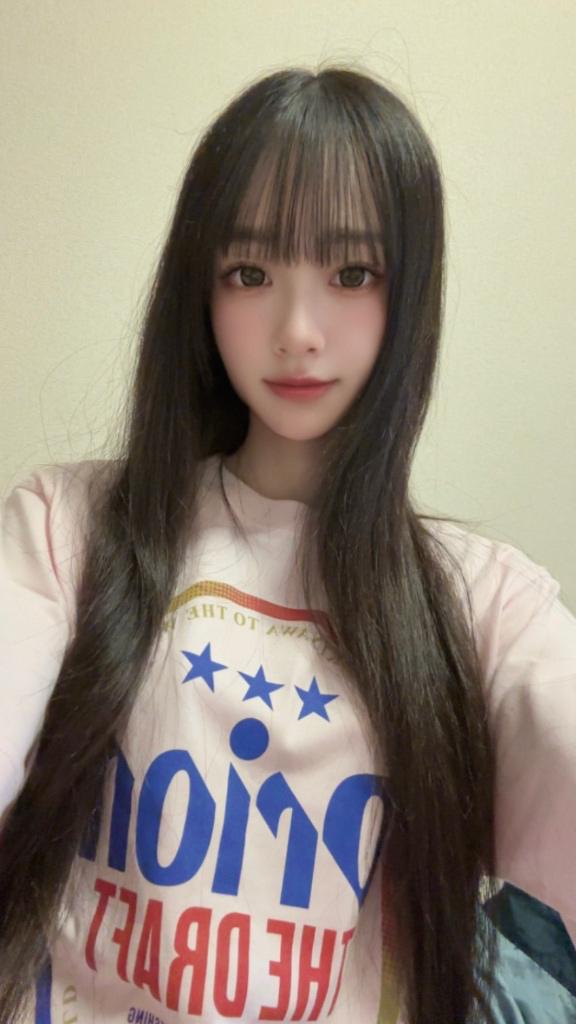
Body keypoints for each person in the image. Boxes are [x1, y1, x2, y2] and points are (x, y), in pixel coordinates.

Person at [0, 63, 574, 1024]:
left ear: (409, 296)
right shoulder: (70, 528)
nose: (297, 331)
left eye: (351, 274)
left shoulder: (481, 604)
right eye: (250, 273)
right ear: (202, 290)